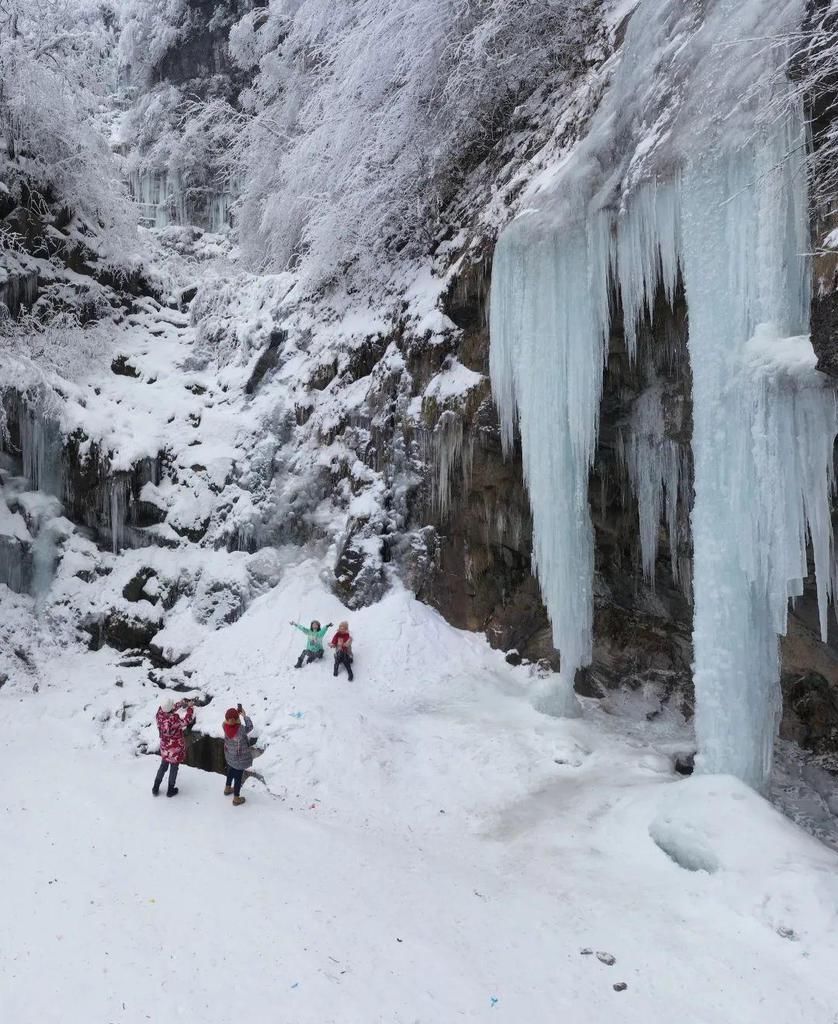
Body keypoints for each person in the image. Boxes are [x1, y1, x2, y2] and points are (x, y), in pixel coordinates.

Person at [152, 696, 194, 797]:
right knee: (174, 768)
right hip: (175, 749)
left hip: (165, 748)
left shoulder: (159, 714)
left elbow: (169, 709)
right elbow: (186, 721)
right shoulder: (174, 720)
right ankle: (170, 790)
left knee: (163, 766)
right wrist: (190, 708)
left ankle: (155, 787)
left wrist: (181, 703)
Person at [223, 704, 254, 806]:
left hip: (230, 755)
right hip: (240, 758)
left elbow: (230, 722)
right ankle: (236, 798)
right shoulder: (240, 729)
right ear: (236, 719)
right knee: (238, 777)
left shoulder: (224, 726)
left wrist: (234, 717)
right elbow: (250, 727)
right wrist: (244, 715)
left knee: (231, 770)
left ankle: (227, 788)